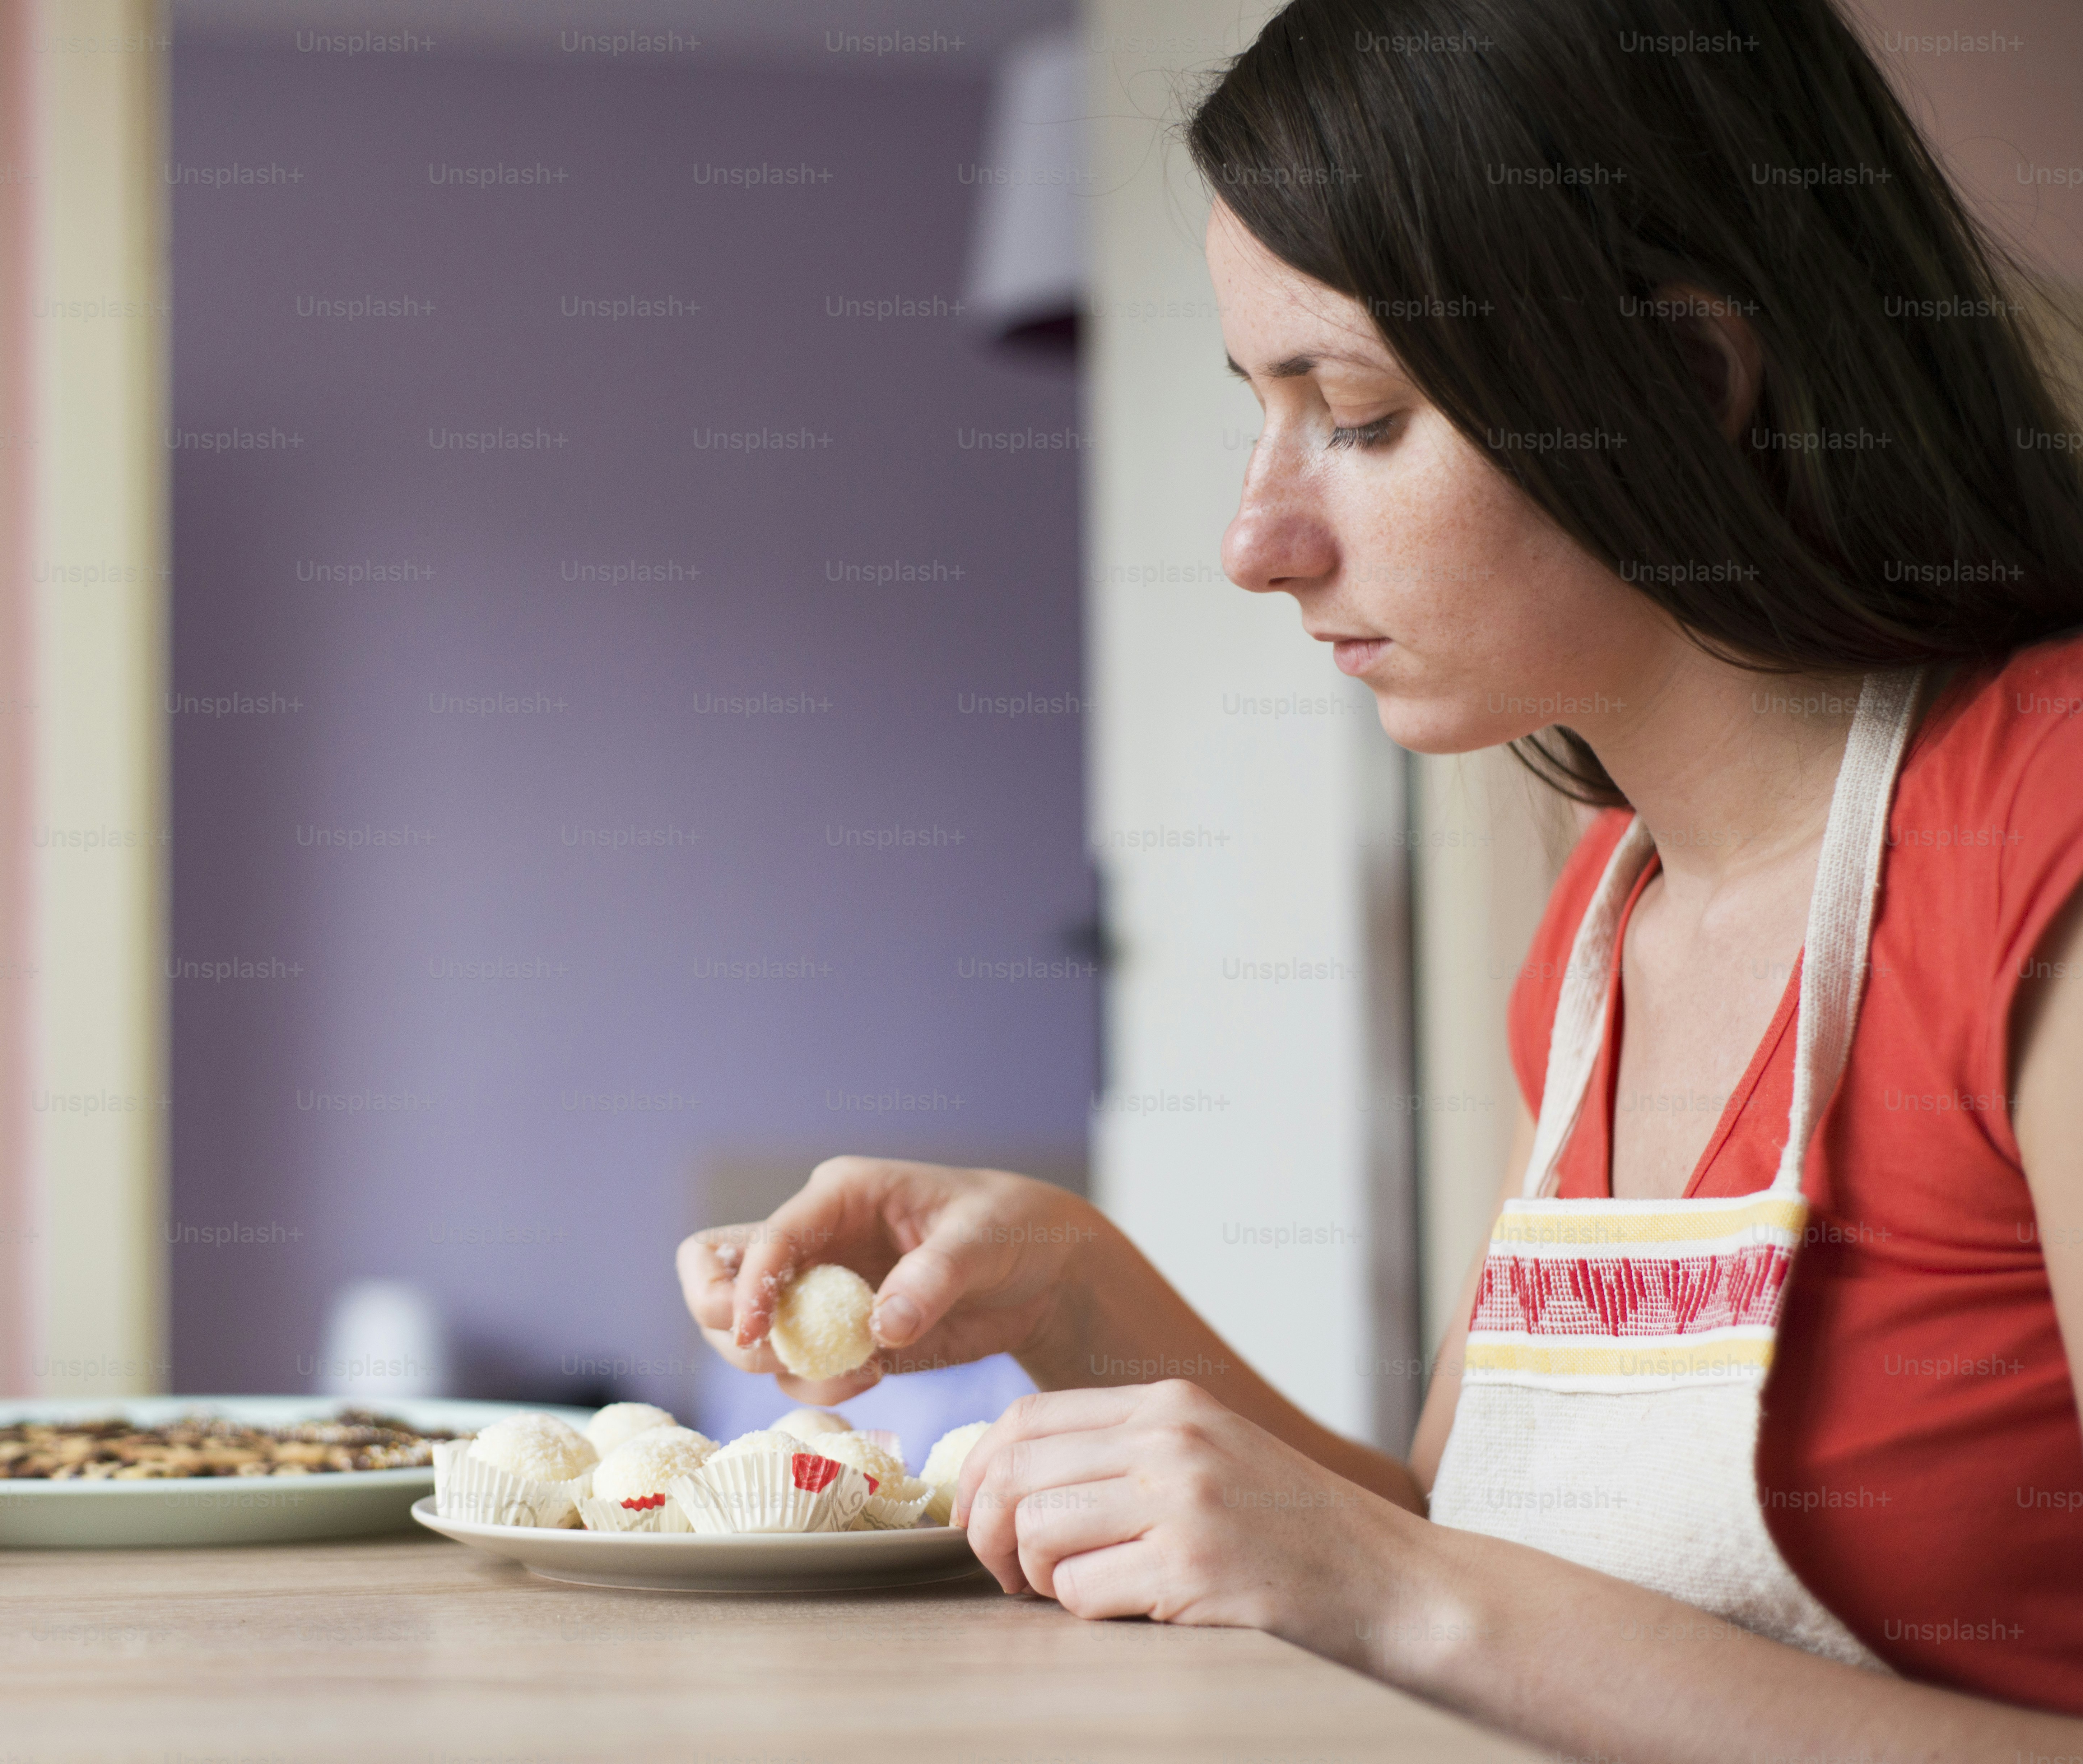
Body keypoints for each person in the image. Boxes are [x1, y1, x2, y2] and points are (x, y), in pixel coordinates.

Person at [677, 0, 2083, 1754]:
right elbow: (1480, 1576)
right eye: (1259, 414)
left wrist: (1385, 1581)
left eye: (1353, 411)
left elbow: (1421, 1597)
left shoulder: (2047, 838)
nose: (1257, 543)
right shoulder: (1605, 922)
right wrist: (1073, 1292)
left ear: (1684, 379)